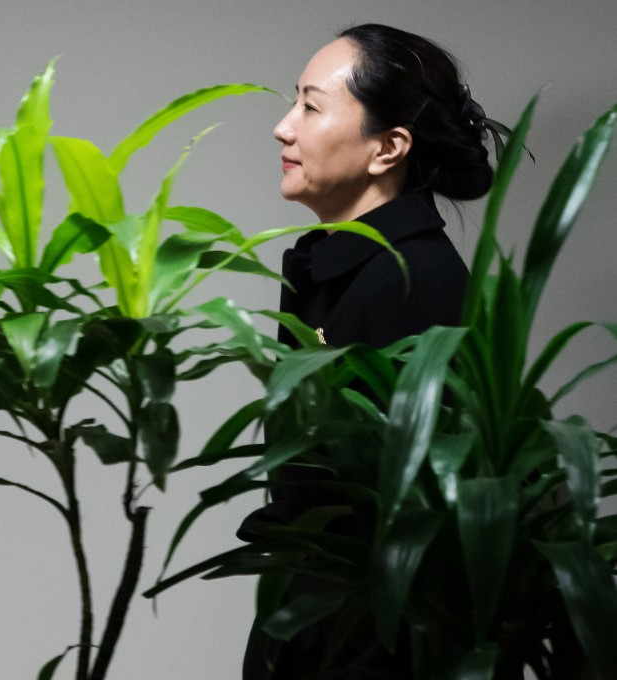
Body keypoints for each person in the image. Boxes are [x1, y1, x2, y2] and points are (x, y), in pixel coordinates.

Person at [238, 23, 494, 679]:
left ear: (388, 148)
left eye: (311, 106)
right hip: (310, 637)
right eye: (294, 101)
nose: (282, 127)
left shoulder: (415, 284)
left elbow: (409, 536)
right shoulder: (335, 266)